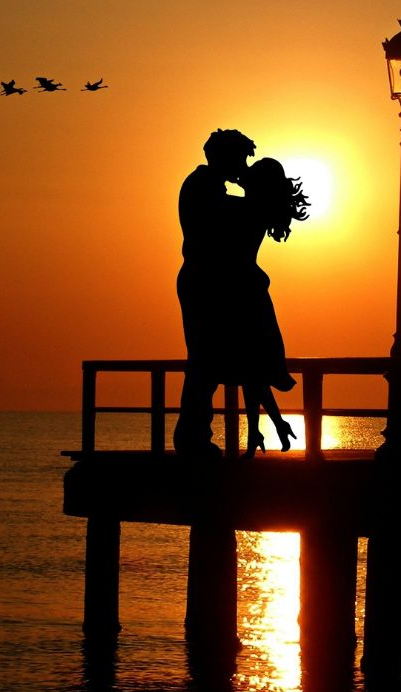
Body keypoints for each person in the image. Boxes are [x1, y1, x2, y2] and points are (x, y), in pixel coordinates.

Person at [173, 129, 254, 457]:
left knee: (205, 361)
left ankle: (194, 436)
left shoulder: (205, 185)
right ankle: (192, 439)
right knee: (204, 361)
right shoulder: (203, 187)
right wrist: (257, 198)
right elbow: (231, 216)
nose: (243, 167)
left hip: (205, 280)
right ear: (226, 157)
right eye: (240, 159)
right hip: (202, 281)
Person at [233, 157, 309, 458]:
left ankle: (262, 429)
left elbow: (229, 201)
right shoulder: (260, 210)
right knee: (252, 368)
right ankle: (264, 427)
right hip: (251, 290)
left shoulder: (246, 210)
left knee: (249, 367)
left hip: (243, 292)